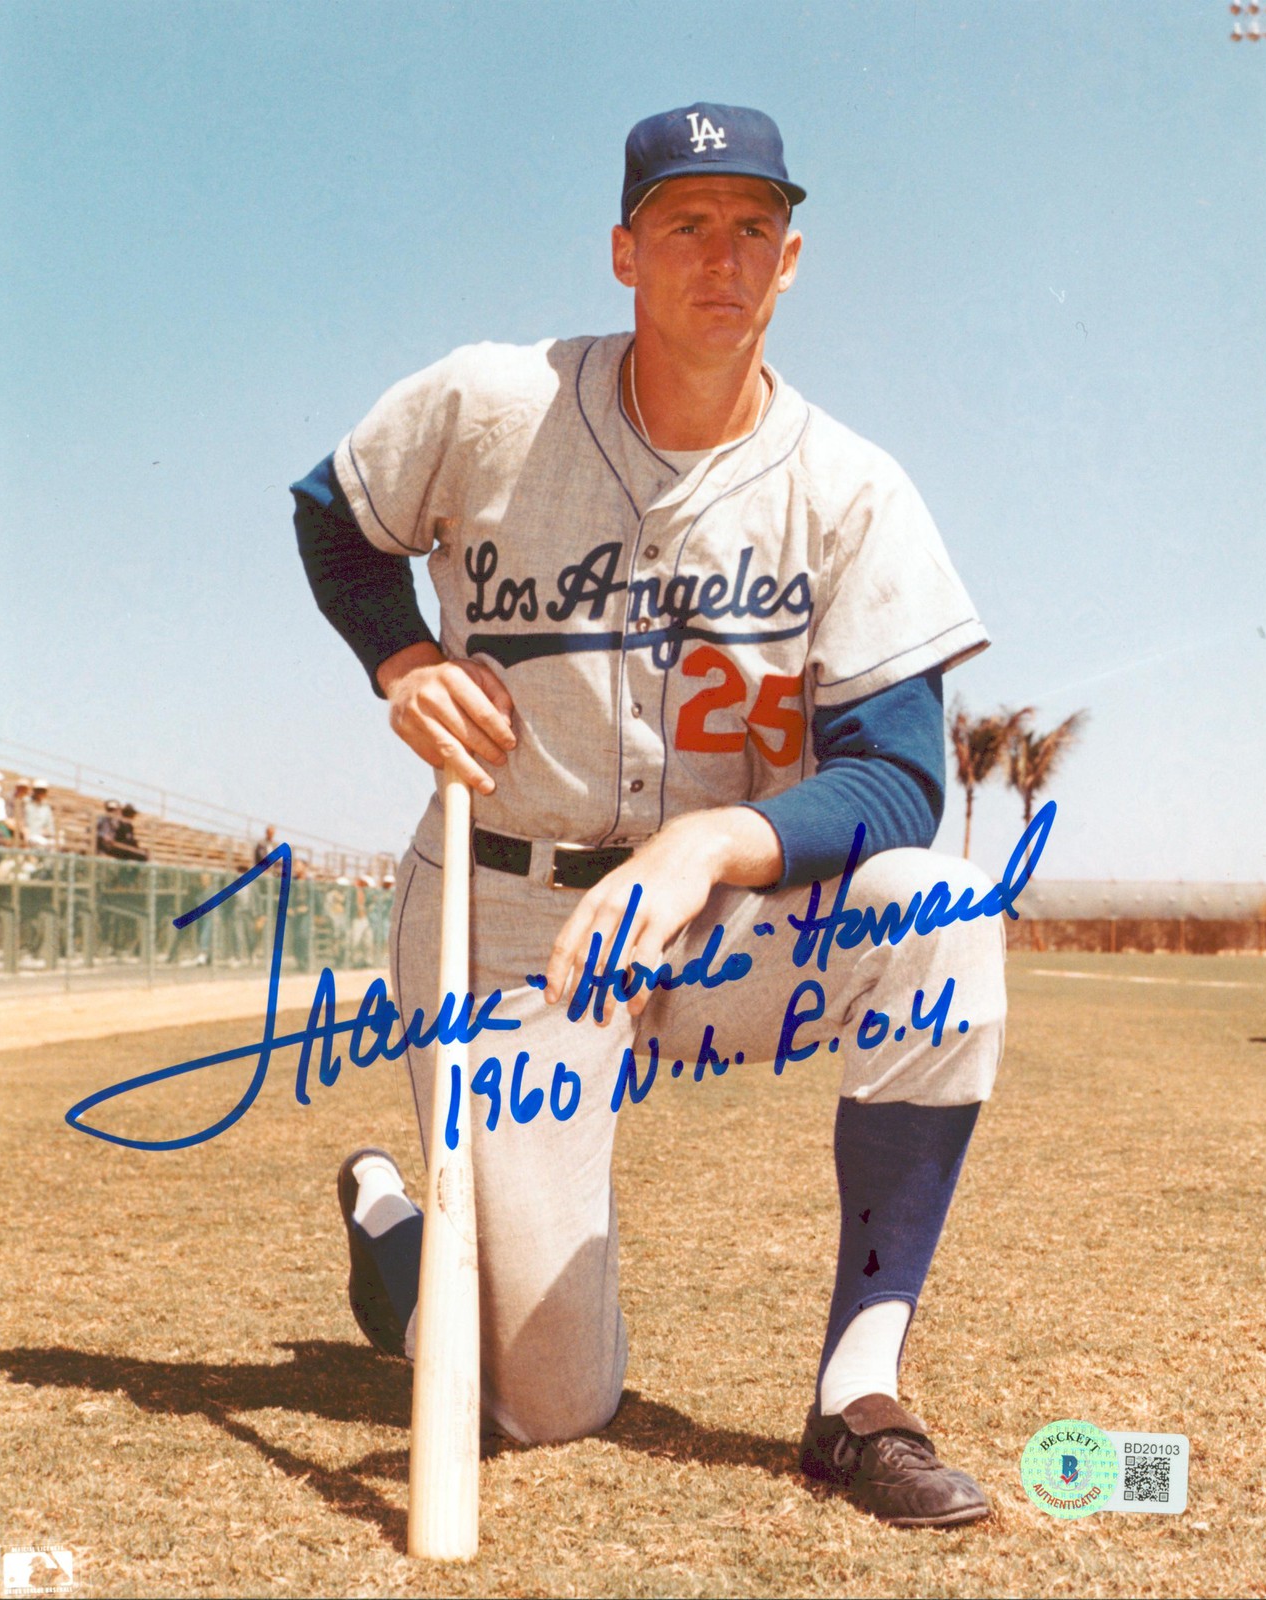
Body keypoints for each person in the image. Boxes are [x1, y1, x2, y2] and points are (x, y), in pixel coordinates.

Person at [293, 102, 1006, 1528]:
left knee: (943, 915)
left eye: (752, 225)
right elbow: (334, 515)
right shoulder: (489, 404)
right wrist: (402, 657)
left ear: (790, 259)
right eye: (684, 222)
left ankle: (854, 1395)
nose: (720, 257)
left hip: (717, 920)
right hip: (507, 911)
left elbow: (896, 773)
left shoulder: (849, 490)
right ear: (623, 249)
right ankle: (398, 1226)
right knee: (547, 1410)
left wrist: (704, 847)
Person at [23, 781, 56, 850]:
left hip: (42, 836)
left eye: (43, 791)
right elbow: (22, 821)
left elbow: (50, 825)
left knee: (54, 843)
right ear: (34, 791)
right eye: (39, 790)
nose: (40, 793)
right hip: (29, 835)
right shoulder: (26, 803)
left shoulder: (46, 808)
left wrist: (48, 832)